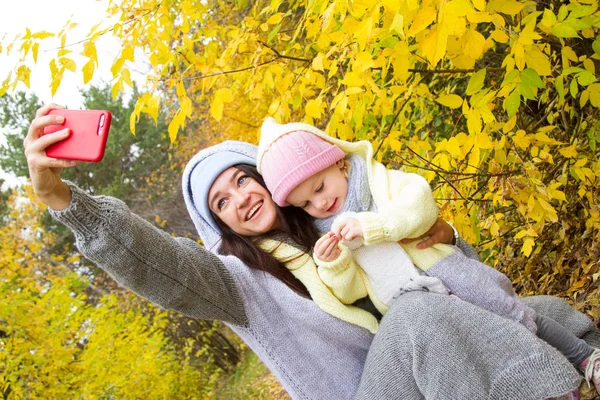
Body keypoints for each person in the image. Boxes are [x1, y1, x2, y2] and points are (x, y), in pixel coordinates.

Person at [24, 104, 596, 399]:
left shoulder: (332, 207)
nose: (240, 200)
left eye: (243, 180)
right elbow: (158, 264)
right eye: (221, 203)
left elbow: (442, 269)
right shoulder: (235, 281)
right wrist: (61, 199)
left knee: (532, 309)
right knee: (419, 315)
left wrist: (447, 238)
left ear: (267, 177)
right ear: (220, 225)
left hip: (427, 362)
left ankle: (575, 366)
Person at [256, 117, 600, 392]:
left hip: (447, 273)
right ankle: (546, 382)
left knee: (517, 316)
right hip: (413, 306)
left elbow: (420, 205)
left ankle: (584, 359)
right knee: (489, 341)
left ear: (340, 163)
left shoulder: (380, 184)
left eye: (319, 187)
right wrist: (335, 264)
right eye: (306, 203)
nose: (320, 203)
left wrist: (376, 226)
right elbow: (354, 291)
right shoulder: (326, 233)